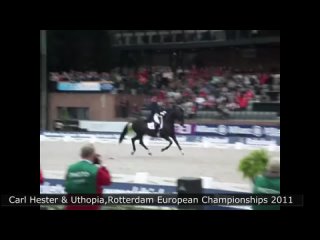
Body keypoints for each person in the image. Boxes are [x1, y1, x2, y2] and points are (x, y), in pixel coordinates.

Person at [64, 144, 112, 210]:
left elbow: (67, 184)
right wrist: (103, 166)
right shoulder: (96, 170)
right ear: (93, 155)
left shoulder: (71, 168)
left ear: (81, 155)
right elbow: (107, 181)